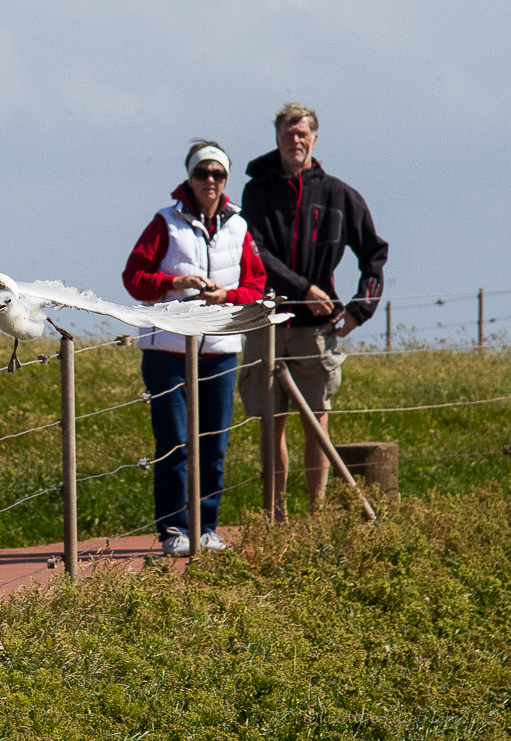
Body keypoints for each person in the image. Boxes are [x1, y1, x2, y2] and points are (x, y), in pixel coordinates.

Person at [238, 103, 388, 510]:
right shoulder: (256, 190)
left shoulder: (339, 195)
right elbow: (256, 250)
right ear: (277, 138)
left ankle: (316, 514)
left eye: (302, 134)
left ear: (315, 139)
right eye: (288, 134)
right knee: (270, 424)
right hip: (266, 321)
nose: (295, 141)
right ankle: (275, 516)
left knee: (316, 420)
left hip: (316, 329)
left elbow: (374, 253)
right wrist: (305, 288)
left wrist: (360, 310)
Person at [123, 140, 266, 556]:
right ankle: (174, 531)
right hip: (167, 350)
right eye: (203, 173)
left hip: (220, 348)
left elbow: (255, 284)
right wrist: (174, 283)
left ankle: (207, 527)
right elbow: (134, 277)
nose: (210, 181)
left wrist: (229, 295)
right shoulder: (165, 223)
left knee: (214, 444)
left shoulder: (239, 225)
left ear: (226, 180)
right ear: (189, 176)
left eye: (218, 174)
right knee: (175, 443)